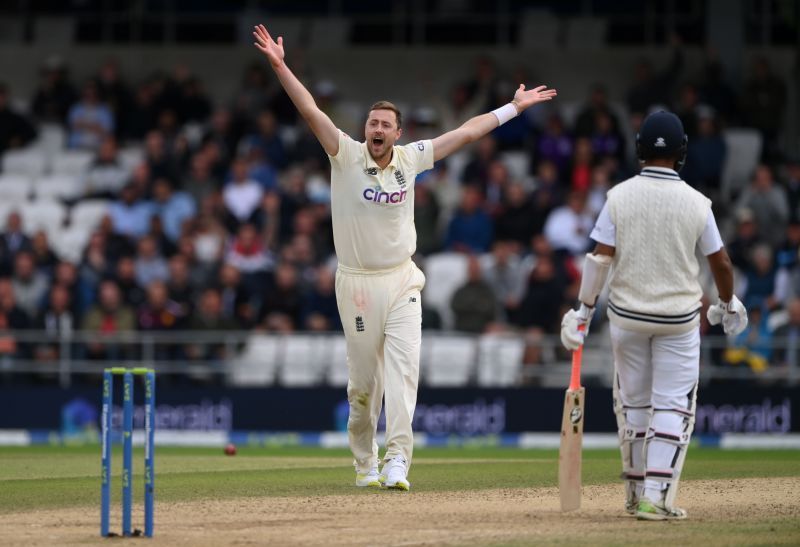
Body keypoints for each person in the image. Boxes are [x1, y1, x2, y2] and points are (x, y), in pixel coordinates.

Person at [253, 22, 556, 490]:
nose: (377, 130)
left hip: (400, 281)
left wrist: (513, 108)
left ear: (398, 132)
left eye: (384, 125)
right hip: (355, 284)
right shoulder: (345, 155)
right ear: (366, 129)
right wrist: (280, 65)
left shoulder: (411, 159)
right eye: (372, 123)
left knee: (403, 370)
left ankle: (398, 459)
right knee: (362, 391)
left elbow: (467, 133)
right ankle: (364, 463)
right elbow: (310, 108)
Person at [559, 111, 747, 520]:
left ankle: (633, 491)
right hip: (678, 319)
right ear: (681, 154)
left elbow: (599, 259)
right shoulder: (697, 202)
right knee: (671, 406)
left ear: (639, 149)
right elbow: (722, 263)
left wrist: (583, 310)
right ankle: (655, 497)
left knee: (634, 405)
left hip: (626, 316)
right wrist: (727, 302)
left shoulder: (618, 196)